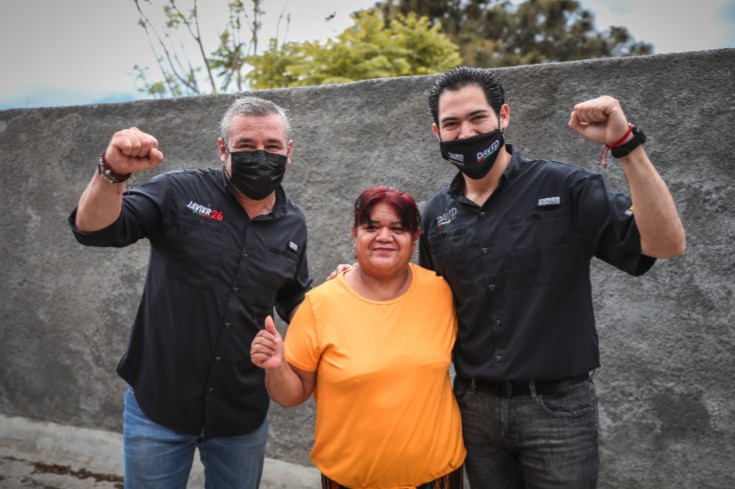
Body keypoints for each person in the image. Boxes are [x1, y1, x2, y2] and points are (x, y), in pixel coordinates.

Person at [418, 67, 686, 488]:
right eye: (451, 123)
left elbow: (666, 244)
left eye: (478, 118)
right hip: (474, 409)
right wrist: (357, 279)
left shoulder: (566, 187)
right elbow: (423, 302)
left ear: (503, 115)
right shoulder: (435, 215)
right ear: (437, 131)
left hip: (558, 411)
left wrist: (626, 146)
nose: (465, 131)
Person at [68, 96, 312, 488]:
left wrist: (347, 297)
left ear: (289, 152)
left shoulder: (294, 223)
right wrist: (110, 173)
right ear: (222, 149)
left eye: (272, 147)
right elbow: (94, 230)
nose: (260, 156)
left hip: (241, 413)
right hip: (159, 406)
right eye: (246, 146)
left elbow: (295, 297)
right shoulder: (179, 191)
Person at [251, 186, 466, 489]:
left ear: (415, 237)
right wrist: (276, 366)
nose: (384, 236)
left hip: (437, 476)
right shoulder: (320, 304)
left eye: (398, 228)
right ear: (355, 234)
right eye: (372, 227)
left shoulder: (441, 292)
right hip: (349, 481)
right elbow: (291, 395)